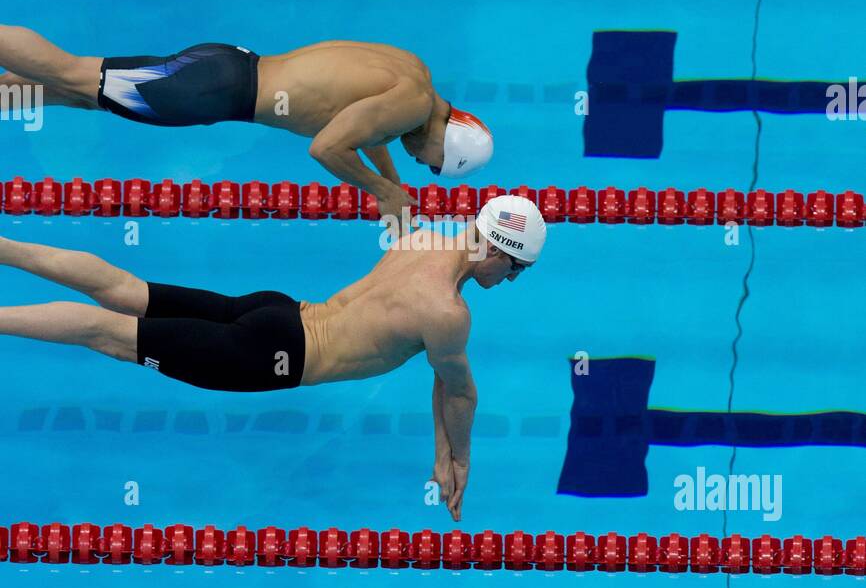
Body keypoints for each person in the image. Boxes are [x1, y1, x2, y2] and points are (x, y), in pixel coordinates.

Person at [0, 197, 547, 518]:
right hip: (272, 356)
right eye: (516, 268)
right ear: (496, 249)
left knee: (125, 290)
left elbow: (442, 375)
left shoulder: (425, 239)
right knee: (108, 333)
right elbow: (460, 389)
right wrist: (461, 458)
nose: (513, 280)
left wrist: (440, 452)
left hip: (278, 311)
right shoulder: (449, 310)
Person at [0, 27, 494, 222]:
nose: (422, 166)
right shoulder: (410, 108)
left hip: (228, 68)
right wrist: (379, 191)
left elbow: (367, 127)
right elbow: (327, 148)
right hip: (214, 92)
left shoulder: (416, 78)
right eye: (435, 168)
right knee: (74, 73)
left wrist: (391, 184)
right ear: (448, 147)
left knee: (84, 94)